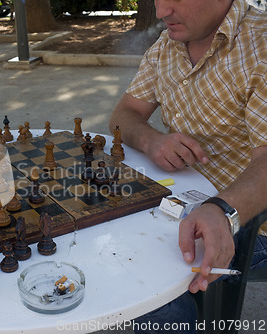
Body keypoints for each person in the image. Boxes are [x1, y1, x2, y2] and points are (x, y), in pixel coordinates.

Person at [109, 0, 266, 331]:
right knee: (107, 249)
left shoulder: (260, 43)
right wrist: (152, 140)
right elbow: (124, 115)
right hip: (178, 202)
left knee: (147, 292)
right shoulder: (168, 44)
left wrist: (222, 208)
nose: (162, 11)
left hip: (249, 221)